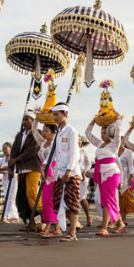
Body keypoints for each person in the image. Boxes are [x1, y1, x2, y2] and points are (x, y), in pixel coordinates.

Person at [85, 115, 124, 236]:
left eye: (105, 132)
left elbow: (118, 132)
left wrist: (117, 118)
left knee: (107, 200)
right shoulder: (99, 143)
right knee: (106, 200)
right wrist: (94, 119)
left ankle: (105, 228)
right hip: (101, 174)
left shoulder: (114, 144)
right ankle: (120, 223)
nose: (103, 135)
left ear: (110, 132)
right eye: (101, 132)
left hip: (111, 173)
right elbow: (88, 133)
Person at [49, 104, 81, 242]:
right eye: (53, 114)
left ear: (65, 114)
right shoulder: (58, 133)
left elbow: (73, 153)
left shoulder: (71, 131)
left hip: (71, 172)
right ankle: (75, 224)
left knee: (72, 202)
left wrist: (68, 171)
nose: (55, 117)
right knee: (57, 202)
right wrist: (46, 166)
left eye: (57, 114)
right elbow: (54, 152)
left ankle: (72, 232)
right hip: (59, 173)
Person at [9, 111, 41, 232]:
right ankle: (31, 224)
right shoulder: (19, 135)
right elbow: (14, 150)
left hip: (33, 167)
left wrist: (17, 159)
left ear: (33, 121)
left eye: (28, 119)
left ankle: (47, 221)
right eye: (24, 119)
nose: (25, 122)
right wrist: (11, 166)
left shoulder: (37, 133)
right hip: (21, 169)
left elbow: (32, 151)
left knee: (32, 196)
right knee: (22, 198)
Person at [31, 118, 61, 237]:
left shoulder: (57, 142)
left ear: (54, 132)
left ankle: (48, 227)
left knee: (50, 201)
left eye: (46, 131)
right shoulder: (43, 143)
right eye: (43, 131)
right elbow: (34, 131)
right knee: (46, 200)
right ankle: (57, 228)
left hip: (53, 173)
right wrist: (37, 119)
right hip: (44, 172)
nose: (43, 133)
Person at [0, 143, 20, 222]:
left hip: (13, 178)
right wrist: (2, 168)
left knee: (11, 197)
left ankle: (6, 215)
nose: (4, 150)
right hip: (5, 179)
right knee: (6, 196)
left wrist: (2, 168)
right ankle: (14, 216)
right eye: (3, 149)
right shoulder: (2, 159)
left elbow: (11, 166)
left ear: (10, 149)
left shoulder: (13, 158)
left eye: (6, 148)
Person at [118, 139, 134, 225]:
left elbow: (131, 165)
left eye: (121, 141)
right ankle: (123, 218)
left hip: (126, 175)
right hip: (117, 175)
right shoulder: (114, 150)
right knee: (119, 198)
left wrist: (131, 177)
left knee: (128, 198)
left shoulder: (128, 152)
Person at [78, 138, 94, 227]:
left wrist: (85, 171)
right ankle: (74, 219)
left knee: (81, 197)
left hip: (83, 176)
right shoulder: (70, 150)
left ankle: (88, 216)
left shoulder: (83, 151)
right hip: (73, 175)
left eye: (79, 140)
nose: (78, 142)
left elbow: (89, 164)